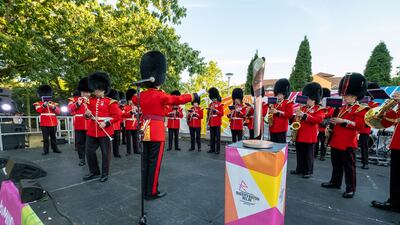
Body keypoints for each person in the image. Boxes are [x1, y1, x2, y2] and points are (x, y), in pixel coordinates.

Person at [131, 51, 204, 200]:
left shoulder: (139, 96)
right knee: (154, 163)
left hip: (145, 129)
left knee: (145, 162)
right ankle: (151, 192)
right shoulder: (161, 95)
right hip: (156, 131)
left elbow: (133, 100)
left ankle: (145, 189)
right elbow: (177, 99)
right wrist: (194, 95)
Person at [321, 72, 369, 198]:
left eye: (347, 95)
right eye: (344, 95)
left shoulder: (360, 109)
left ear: (354, 96)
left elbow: (359, 126)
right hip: (336, 139)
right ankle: (335, 182)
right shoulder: (341, 108)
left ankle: (350, 188)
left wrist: (343, 121)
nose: (344, 97)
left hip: (348, 141)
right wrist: (328, 127)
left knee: (349, 167)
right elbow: (333, 120)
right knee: (336, 164)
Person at [83, 72, 122, 182]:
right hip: (92, 131)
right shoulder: (90, 101)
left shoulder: (110, 102)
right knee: (89, 152)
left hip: (105, 131)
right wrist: (86, 114)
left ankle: (105, 173)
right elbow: (87, 115)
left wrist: (106, 123)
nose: (96, 91)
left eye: (98, 89)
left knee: (105, 154)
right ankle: (94, 171)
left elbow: (117, 116)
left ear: (104, 89)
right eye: (95, 89)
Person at [371, 91, 400, 211]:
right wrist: (386, 109)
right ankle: (395, 202)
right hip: (397, 144)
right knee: (396, 177)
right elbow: (392, 119)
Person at [290, 82, 324, 179]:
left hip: (309, 135)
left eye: (308, 98)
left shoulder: (319, 109)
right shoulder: (302, 108)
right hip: (300, 134)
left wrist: (304, 115)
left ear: (314, 99)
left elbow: (318, 120)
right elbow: (296, 120)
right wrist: (296, 116)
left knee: (308, 155)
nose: (307, 100)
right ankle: (299, 168)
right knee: (300, 153)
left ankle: (308, 171)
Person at [67, 77, 91, 166]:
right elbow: (69, 109)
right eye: (85, 92)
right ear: (81, 92)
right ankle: (82, 159)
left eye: (88, 92)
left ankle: (89, 158)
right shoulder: (74, 100)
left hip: (89, 124)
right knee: (80, 143)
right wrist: (78, 103)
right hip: (79, 124)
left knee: (89, 144)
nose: (86, 94)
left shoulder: (91, 101)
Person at [33, 85, 62, 155]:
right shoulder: (38, 103)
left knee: (54, 137)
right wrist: (44, 105)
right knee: (45, 138)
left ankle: (55, 148)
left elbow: (59, 112)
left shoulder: (53, 103)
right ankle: (46, 150)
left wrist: (54, 107)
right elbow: (38, 110)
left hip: (53, 123)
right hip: (44, 123)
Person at [358, 82, 380, 169]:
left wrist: (367, 107)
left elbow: (374, 115)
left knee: (364, 145)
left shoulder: (374, 104)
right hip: (357, 125)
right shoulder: (360, 103)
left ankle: (365, 163)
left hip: (365, 127)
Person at [268, 78, 293, 143]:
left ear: (284, 94)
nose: (278, 95)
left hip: (281, 128)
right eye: (277, 94)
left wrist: (278, 112)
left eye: (279, 94)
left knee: (280, 148)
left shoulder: (288, 102)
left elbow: (290, 115)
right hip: (272, 127)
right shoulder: (274, 102)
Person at [314, 88, 334, 161]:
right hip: (318, 127)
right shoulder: (320, 106)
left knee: (323, 143)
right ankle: (315, 153)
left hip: (325, 128)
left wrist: (321, 115)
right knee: (315, 142)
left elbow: (330, 113)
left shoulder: (330, 107)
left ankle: (323, 155)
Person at [123, 88, 140, 155]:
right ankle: (128, 151)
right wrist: (130, 112)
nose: (131, 101)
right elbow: (123, 115)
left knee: (136, 139)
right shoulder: (126, 107)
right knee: (128, 139)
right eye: (130, 100)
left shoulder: (137, 107)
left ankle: (136, 150)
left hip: (135, 124)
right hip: (128, 124)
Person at [207, 87, 224, 154]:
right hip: (211, 122)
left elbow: (222, 113)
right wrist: (209, 111)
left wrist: (215, 111)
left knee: (217, 137)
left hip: (217, 123)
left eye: (214, 98)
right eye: (212, 98)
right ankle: (212, 149)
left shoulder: (220, 104)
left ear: (216, 97)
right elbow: (209, 114)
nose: (213, 99)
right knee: (212, 137)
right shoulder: (210, 104)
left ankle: (218, 150)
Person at [107, 89, 123, 158]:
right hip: (111, 125)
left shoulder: (116, 105)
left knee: (116, 141)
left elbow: (121, 114)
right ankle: (112, 153)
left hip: (116, 125)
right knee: (109, 141)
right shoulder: (112, 104)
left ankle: (115, 153)